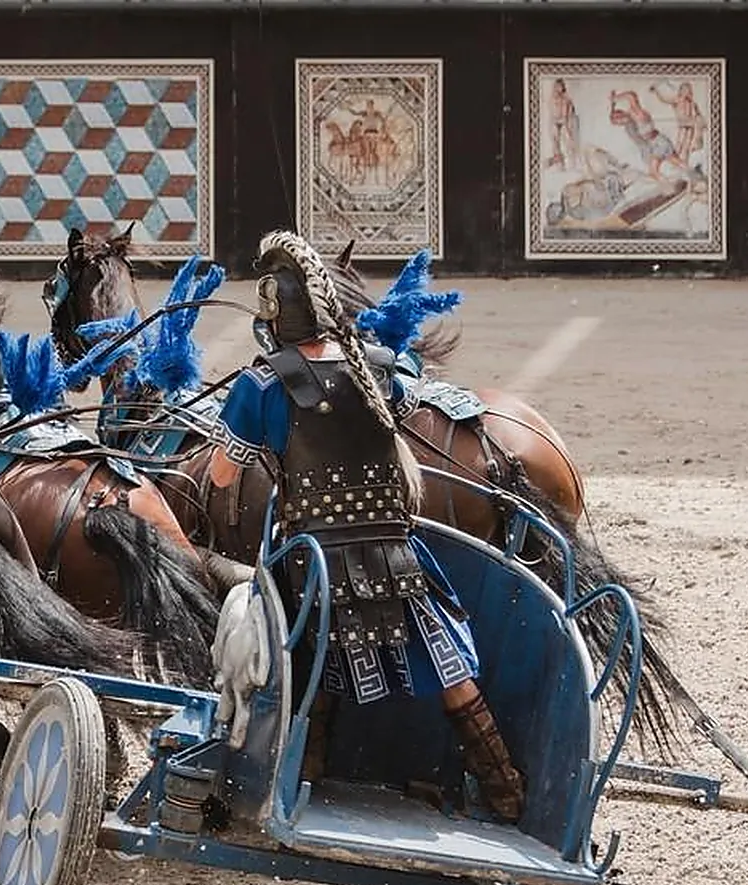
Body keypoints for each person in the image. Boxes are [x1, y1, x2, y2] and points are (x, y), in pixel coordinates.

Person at [206, 230, 525, 822]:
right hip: (396, 559)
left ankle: (304, 775)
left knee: (312, 656)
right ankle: (504, 786)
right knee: (451, 668)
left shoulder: (259, 386)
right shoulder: (378, 369)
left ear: (274, 316)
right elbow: (405, 412)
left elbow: (224, 477)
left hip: (313, 567)